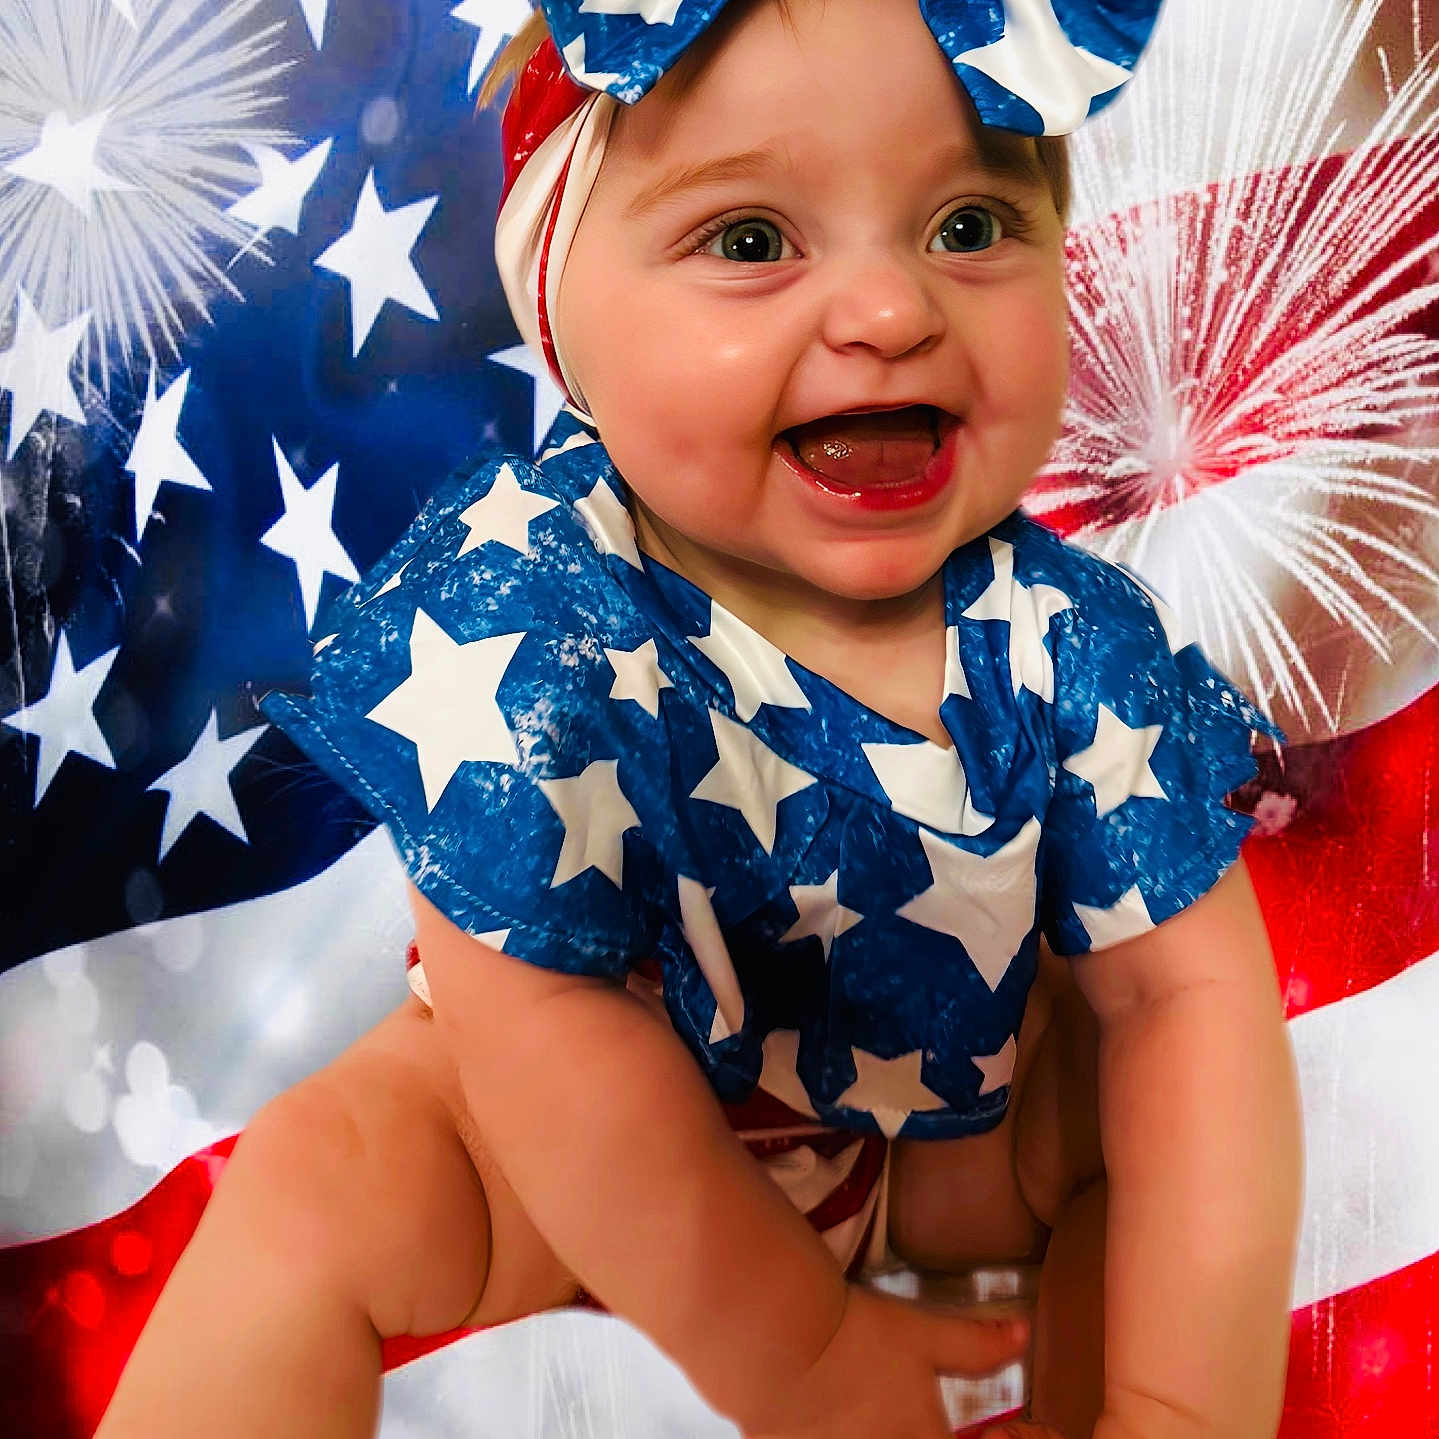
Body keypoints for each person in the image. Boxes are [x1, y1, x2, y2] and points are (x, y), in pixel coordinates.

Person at [96, 1, 1304, 1436]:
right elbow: (536, 1025)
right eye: (750, 242)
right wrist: (802, 1358)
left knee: (1138, 1086)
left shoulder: (1068, 637)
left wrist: (1187, 1400)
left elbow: (1193, 1000)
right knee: (320, 1177)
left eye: (971, 227)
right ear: (565, 316)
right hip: (577, 1152)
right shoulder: (534, 597)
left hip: (934, 1126)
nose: (891, 311)